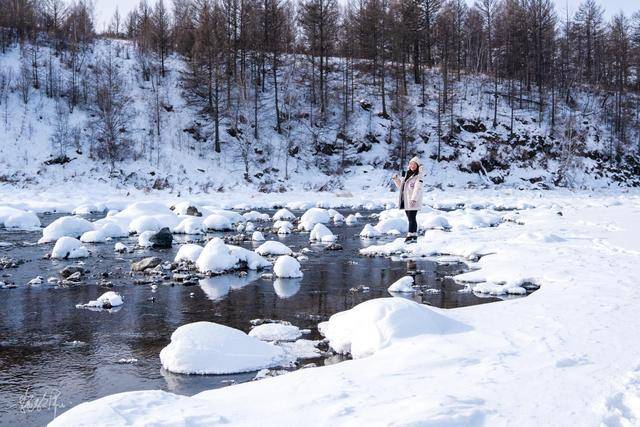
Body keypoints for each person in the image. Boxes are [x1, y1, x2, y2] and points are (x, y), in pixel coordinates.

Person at [392, 156, 423, 243]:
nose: (412, 166)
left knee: (412, 218)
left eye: (414, 164)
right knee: (410, 218)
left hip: (413, 200)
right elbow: (401, 188)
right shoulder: (407, 175)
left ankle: (411, 236)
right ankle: (413, 235)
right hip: (406, 201)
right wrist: (396, 179)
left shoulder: (418, 176)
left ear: (417, 166)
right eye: (411, 164)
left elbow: (418, 188)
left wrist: (414, 199)